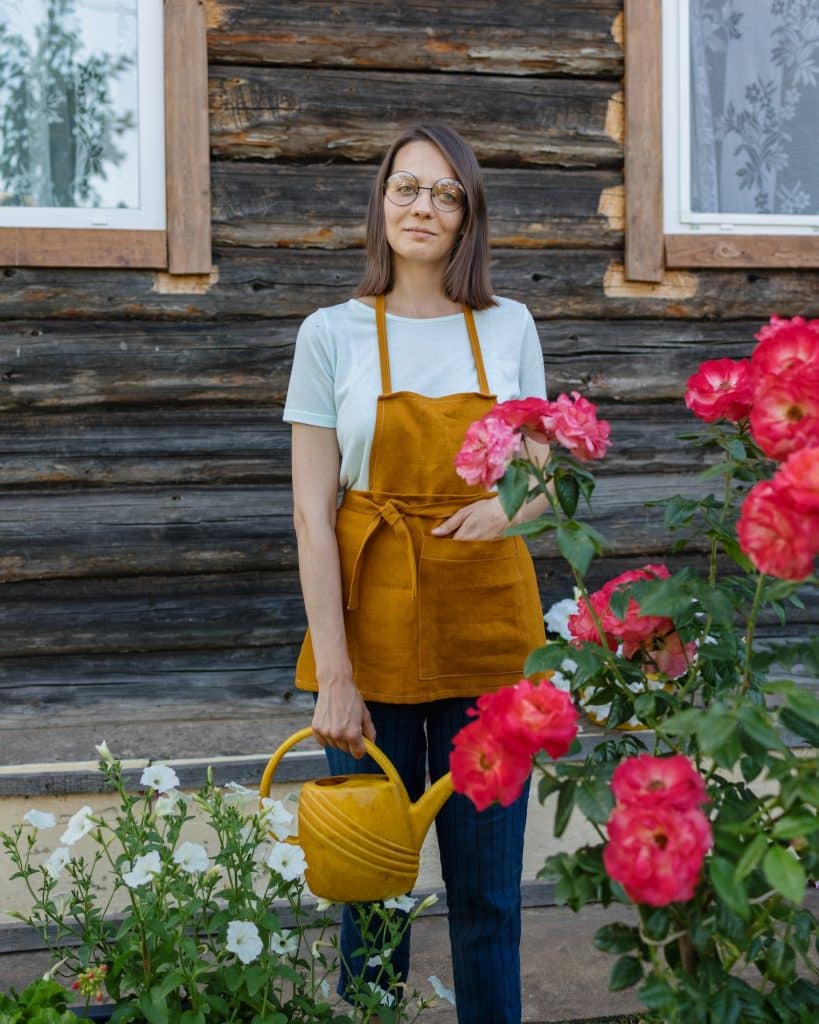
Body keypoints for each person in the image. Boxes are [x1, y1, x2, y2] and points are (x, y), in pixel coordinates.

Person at [283, 124, 550, 1024]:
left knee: (489, 900)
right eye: (406, 188)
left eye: (444, 193)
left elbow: (549, 481)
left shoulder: (509, 325)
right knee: (373, 895)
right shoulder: (329, 334)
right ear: (381, 201)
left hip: (487, 634)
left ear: (468, 213)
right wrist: (337, 678)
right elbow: (313, 522)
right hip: (373, 633)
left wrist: (509, 510)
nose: (422, 207)